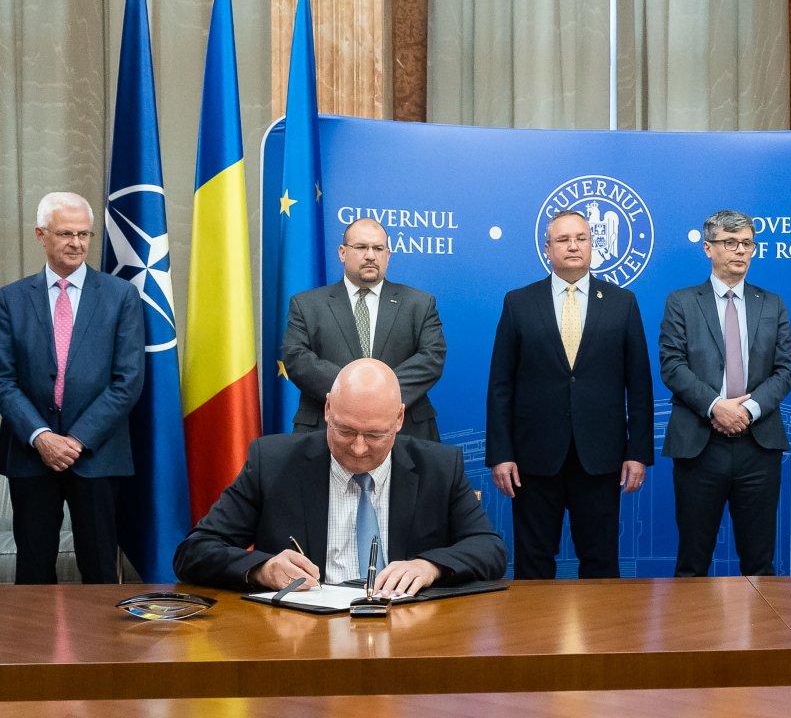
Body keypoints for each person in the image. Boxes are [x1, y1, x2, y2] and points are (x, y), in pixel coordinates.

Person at [174, 359, 505, 594]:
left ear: (399, 419)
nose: (358, 448)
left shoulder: (439, 467)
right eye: (345, 431)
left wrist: (429, 567)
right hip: (303, 636)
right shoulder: (273, 463)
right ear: (328, 409)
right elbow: (194, 551)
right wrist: (263, 569)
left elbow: (489, 549)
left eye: (374, 435)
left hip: (409, 633)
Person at [485, 209, 653, 580]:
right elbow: (500, 385)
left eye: (581, 238)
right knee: (533, 564)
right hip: (533, 458)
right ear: (547, 249)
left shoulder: (623, 302)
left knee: (601, 563)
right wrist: (501, 454)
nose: (573, 246)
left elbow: (639, 384)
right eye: (563, 240)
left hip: (601, 457)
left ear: (593, 245)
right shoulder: (518, 302)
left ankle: (603, 624)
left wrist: (638, 452)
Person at [0, 192, 144, 583]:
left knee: (100, 570)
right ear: (41, 235)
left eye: (84, 234)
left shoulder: (120, 296)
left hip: (98, 454)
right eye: (66, 233)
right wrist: (42, 437)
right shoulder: (10, 299)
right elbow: (4, 379)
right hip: (32, 455)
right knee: (33, 572)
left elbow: (128, 380)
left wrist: (76, 440)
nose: (77, 243)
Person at [659, 209, 791, 577]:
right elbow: (672, 365)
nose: (741, 251)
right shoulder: (682, 302)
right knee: (692, 564)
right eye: (731, 243)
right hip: (700, 446)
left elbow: (785, 371)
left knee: (759, 564)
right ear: (708, 248)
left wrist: (746, 411)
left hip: (758, 445)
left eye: (747, 244)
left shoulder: (773, 304)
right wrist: (716, 406)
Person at [282, 217, 446, 441]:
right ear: (342, 253)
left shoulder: (420, 304)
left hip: (406, 431)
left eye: (378, 248)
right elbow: (296, 358)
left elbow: (432, 357)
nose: (370, 255)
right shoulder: (306, 305)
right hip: (327, 429)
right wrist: (351, 392)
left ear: (388, 255)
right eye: (361, 247)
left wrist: (381, 394)